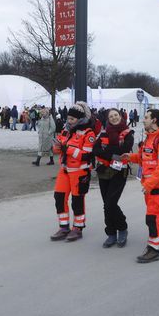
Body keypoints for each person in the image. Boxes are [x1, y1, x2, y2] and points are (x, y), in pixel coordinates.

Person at [123, 109, 159, 263]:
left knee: (151, 217)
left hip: (156, 186)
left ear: (154, 120)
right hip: (148, 185)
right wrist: (130, 157)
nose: (143, 120)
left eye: (146, 117)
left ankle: (154, 249)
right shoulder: (148, 139)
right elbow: (143, 158)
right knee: (156, 211)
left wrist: (150, 184)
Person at [49, 102, 95, 242]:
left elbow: (86, 155)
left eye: (72, 119)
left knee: (77, 201)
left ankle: (78, 228)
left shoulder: (88, 133)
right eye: (68, 118)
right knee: (59, 197)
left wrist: (67, 149)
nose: (69, 121)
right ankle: (64, 227)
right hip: (65, 170)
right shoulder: (66, 130)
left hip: (80, 172)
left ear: (80, 119)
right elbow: (60, 148)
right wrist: (56, 148)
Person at [93, 108, 134, 248]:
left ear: (120, 116)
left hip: (119, 172)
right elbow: (95, 149)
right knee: (107, 204)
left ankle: (122, 228)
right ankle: (111, 233)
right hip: (104, 171)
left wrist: (107, 151)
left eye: (116, 115)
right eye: (111, 116)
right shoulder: (104, 132)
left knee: (111, 202)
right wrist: (112, 152)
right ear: (108, 119)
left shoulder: (128, 133)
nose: (114, 118)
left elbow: (125, 150)